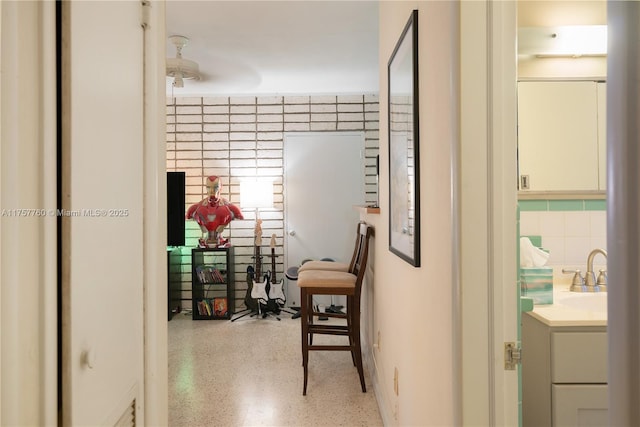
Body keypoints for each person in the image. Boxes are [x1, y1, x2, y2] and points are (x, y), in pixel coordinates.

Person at [186, 176, 243, 247]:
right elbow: (188, 216)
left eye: (215, 187)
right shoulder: (195, 209)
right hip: (205, 242)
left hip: (220, 242)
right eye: (209, 187)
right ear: (206, 188)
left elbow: (239, 216)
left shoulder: (231, 208)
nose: (212, 190)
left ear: (220, 187)